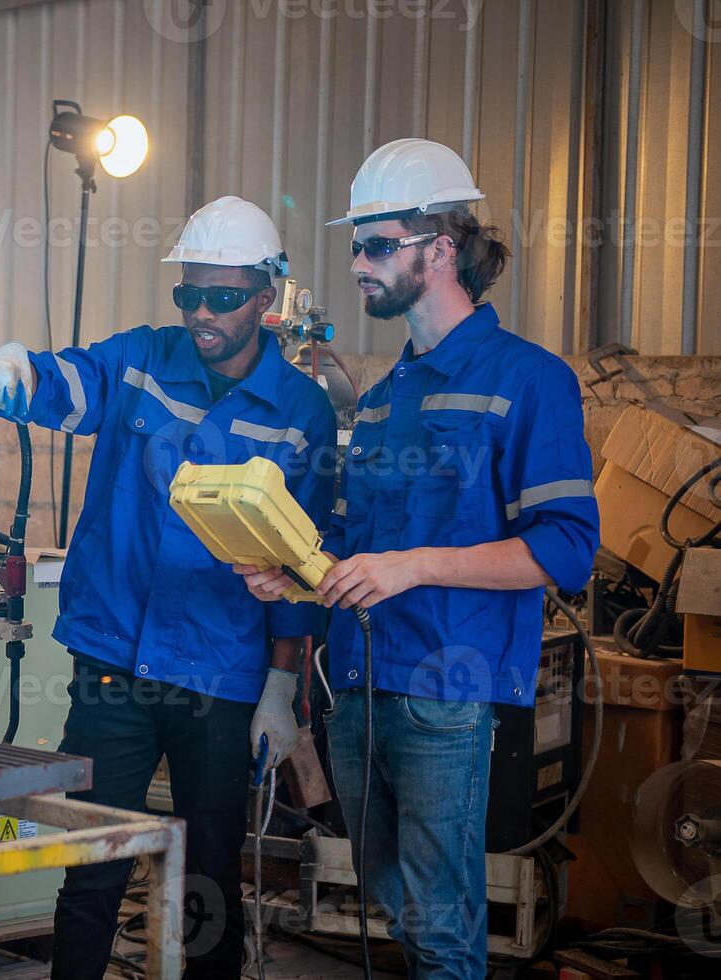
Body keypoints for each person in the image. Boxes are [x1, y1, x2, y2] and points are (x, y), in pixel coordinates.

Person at [236, 139, 600, 979]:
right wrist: (288, 570)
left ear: (441, 249)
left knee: (438, 926)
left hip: (446, 687)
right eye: (357, 244)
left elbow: (567, 548)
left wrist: (415, 566)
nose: (358, 263)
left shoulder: (529, 378)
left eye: (378, 244)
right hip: (360, 685)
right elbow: (359, 545)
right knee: (395, 903)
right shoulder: (391, 391)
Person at [0, 196, 336, 978]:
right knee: (94, 861)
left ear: (267, 299)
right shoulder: (142, 360)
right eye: (189, 295)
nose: (202, 313)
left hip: (219, 671)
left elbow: (306, 563)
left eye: (224, 298)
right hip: (113, 660)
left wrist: (281, 685)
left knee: (209, 871)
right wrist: (21, 372)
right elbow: (74, 381)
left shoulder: (300, 409)